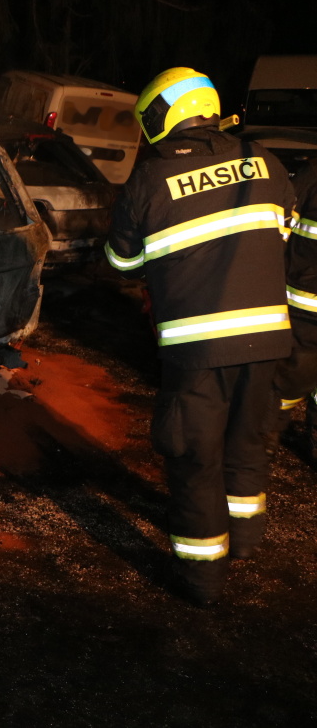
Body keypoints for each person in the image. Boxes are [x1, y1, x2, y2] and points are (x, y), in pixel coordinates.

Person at [104, 67, 295, 606]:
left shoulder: (150, 178)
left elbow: (122, 263)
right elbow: (280, 234)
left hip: (198, 349)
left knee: (195, 458)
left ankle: (202, 580)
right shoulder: (266, 162)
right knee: (247, 440)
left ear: (163, 115)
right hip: (268, 338)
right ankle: (246, 541)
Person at [270, 158, 317, 458]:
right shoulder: (313, 174)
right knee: (292, 375)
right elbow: (281, 226)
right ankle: (263, 434)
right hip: (306, 305)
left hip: (306, 301)